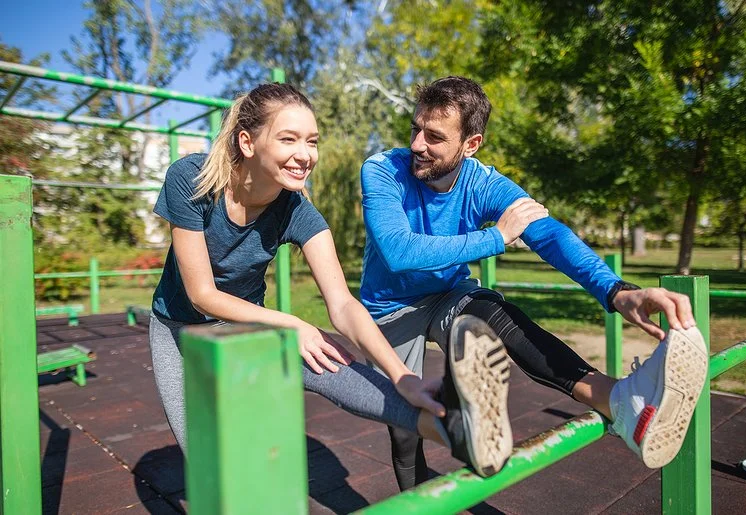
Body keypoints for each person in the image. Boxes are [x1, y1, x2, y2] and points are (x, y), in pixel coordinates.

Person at [147, 82, 514, 478]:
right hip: (177, 328)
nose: (304, 155)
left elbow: (342, 306)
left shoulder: (298, 212)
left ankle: (454, 430)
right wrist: (293, 322)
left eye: (312, 141)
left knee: (327, 360)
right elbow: (201, 294)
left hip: (242, 323)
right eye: (289, 139)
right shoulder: (193, 179)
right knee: (209, 465)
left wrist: (402, 375)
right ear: (247, 142)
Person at [360, 76, 709, 490]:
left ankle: (622, 402)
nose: (418, 143)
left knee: (494, 314)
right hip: (389, 309)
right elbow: (400, 252)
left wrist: (616, 291)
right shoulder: (383, 170)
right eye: (415, 129)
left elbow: (548, 235)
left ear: (470, 144)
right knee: (404, 430)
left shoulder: (482, 183)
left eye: (434, 136)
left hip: (446, 295)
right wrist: (495, 237)